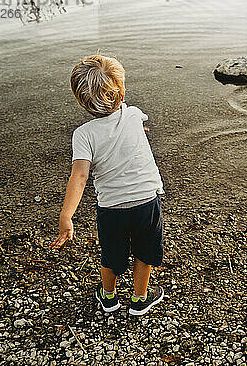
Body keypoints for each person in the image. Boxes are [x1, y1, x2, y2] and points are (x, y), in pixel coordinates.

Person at [51, 55, 165, 316]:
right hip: (147, 200)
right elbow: (132, 127)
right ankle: (139, 299)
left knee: (112, 254)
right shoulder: (134, 115)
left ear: (81, 100)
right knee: (145, 251)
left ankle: (109, 297)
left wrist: (66, 215)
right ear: (121, 91)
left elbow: (79, 177)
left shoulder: (83, 135)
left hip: (112, 208)